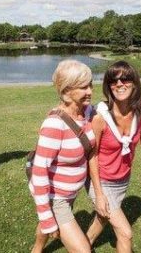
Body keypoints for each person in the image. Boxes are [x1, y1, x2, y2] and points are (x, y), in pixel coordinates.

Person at [86, 60, 141, 252]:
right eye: (114, 80)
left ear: (135, 82)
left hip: (122, 180)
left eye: (125, 79)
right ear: (108, 86)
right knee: (125, 232)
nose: (119, 84)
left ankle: (83, 245)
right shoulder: (100, 118)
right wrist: (98, 193)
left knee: (103, 217)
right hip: (101, 180)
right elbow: (92, 156)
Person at [29, 59, 95, 253]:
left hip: (70, 193)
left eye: (90, 84)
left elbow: (109, 107)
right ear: (66, 92)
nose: (90, 91)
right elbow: (39, 172)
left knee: (52, 224)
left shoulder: (87, 111)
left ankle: (37, 249)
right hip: (54, 196)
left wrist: (140, 103)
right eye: (83, 87)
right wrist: (47, 218)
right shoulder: (54, 125)